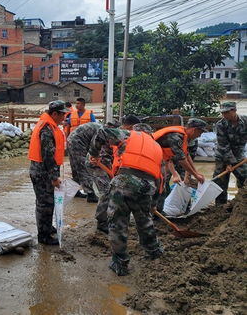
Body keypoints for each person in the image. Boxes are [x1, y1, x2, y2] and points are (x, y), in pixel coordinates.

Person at [89, 123, 164, 276]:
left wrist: (94, 154)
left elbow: (102, 132)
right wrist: (154, 204)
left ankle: (120, 263)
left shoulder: (129, 135)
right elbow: (161, 180)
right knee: (144, 220)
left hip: (124, 182)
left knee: (118, 223)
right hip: (146, 186)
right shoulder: (157, 148)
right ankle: (154, 250)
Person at [28, 100, 68, 245]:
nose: (64, 117)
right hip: (42, 173)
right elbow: (47, 155)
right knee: (45, 204)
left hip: (43, 171)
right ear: (55, 114)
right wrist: (54, 177)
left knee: (47, 203)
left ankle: (47, 227)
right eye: (62, 114)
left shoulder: (50, 126)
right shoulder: (46, 128)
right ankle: (43, 236)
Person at [152, 118, 208, 211]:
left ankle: (161, 210)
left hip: (163, 160)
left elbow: (186, 155)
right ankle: (156, 213)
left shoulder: (184, 136)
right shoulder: (176, 136)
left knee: (163, 186)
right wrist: (194, 175)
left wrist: (196, 173)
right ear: (195, 129)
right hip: (151, 159)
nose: (199, 136)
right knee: (160, 186)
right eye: (200, 133)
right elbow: (181, 160)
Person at [212, 102, 247, 205]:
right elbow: (224, 146)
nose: (224, 115)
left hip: (239, 155)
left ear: (234, 110)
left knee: (245, 179)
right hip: (223, 157)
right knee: (220, 184)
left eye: (227, 112)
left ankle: (242, 203)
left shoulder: (245, 121)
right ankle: (220, 209)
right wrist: (228, 164)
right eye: (223, 113)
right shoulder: (220, 125)